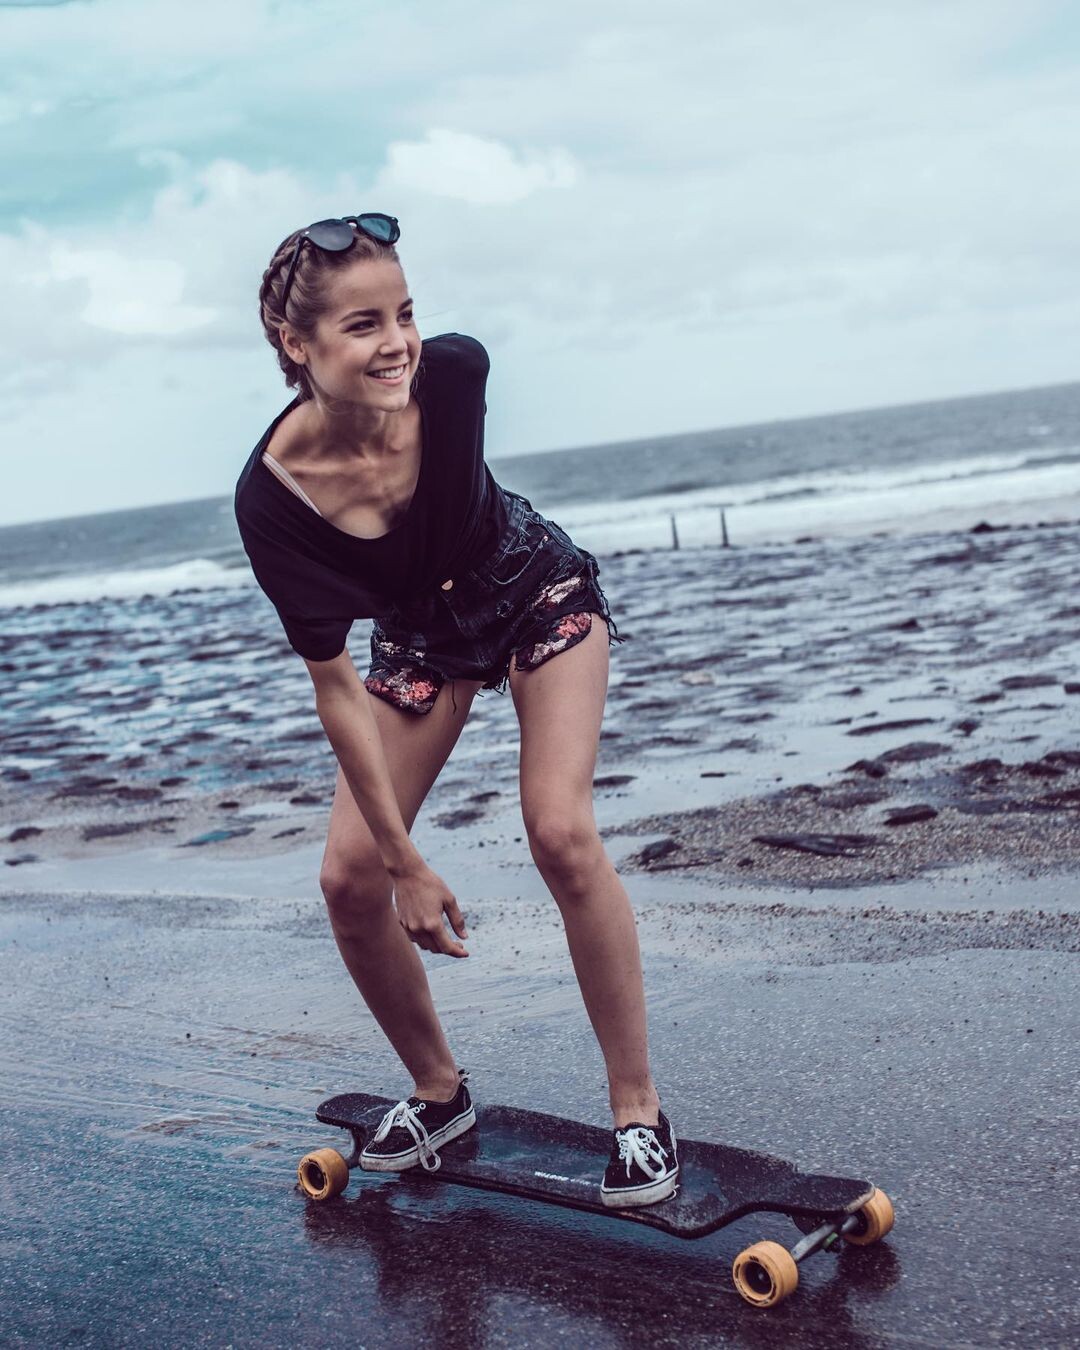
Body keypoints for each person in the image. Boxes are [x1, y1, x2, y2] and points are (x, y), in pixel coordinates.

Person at [234, 213, 678, 1207]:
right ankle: (441, 1094)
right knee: (349, 878)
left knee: (559, 830)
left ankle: (640, 1114)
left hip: (533, 589)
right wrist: (404, 863)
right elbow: (335, 688)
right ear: (295, 344)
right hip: (421, 639)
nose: (398, 343)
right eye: (363, 325)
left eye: (404, 314)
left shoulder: (456, 375)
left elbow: (464, 514)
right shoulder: (272, 503)